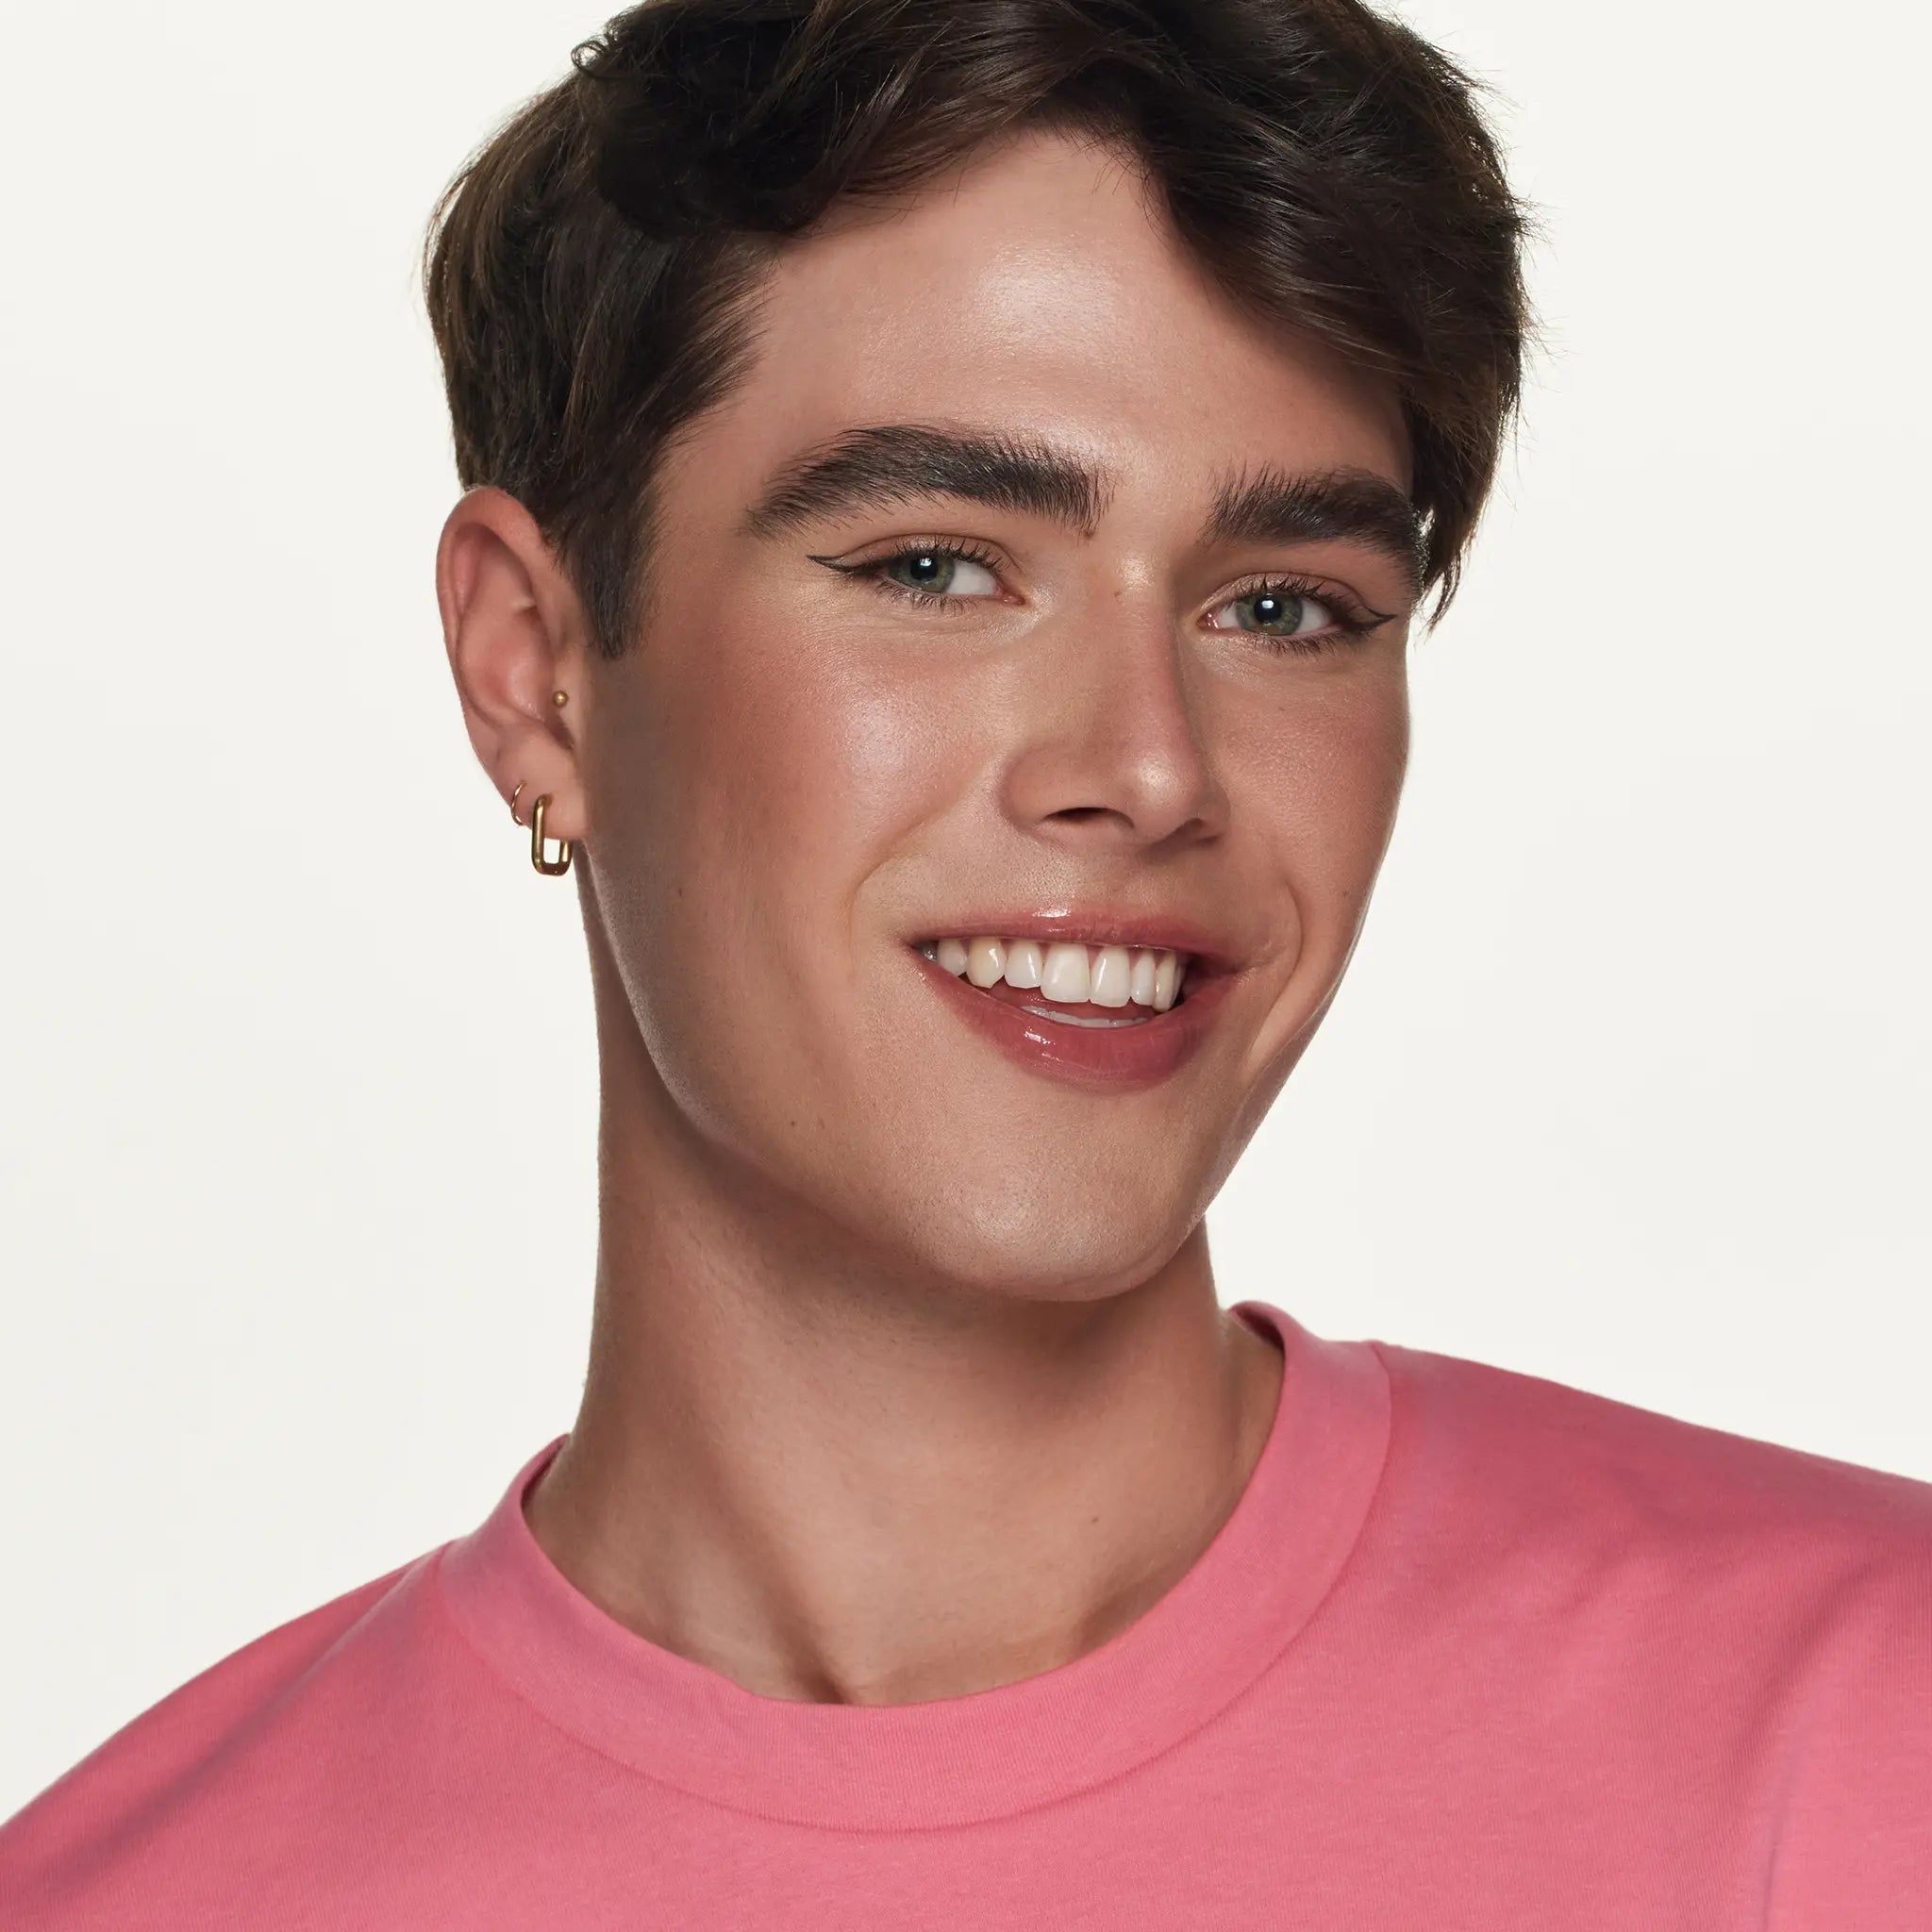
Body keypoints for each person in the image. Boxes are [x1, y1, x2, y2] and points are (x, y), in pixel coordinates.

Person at [4, 0, 1926, 1922]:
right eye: (934, 568)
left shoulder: (1861, 1726)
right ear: (535, 671)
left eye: (1283, 608)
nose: (1150, 770)